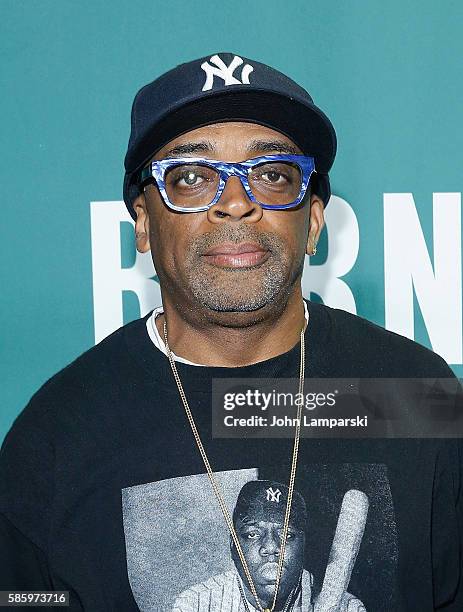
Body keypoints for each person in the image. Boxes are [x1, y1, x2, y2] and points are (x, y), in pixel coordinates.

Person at [0, 52, 461, 612]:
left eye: (271, 174)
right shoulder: (55, 440)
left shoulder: (416, 395)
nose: (236, 202)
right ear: (143, 222)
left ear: (313, 220)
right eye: (191, 177)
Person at [172, 480, 366, 612]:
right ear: (234, 546)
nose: (272, 546)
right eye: (253, 534)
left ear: (304, 546)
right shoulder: (195, 604)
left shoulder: (348, 608)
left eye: (287, 535)